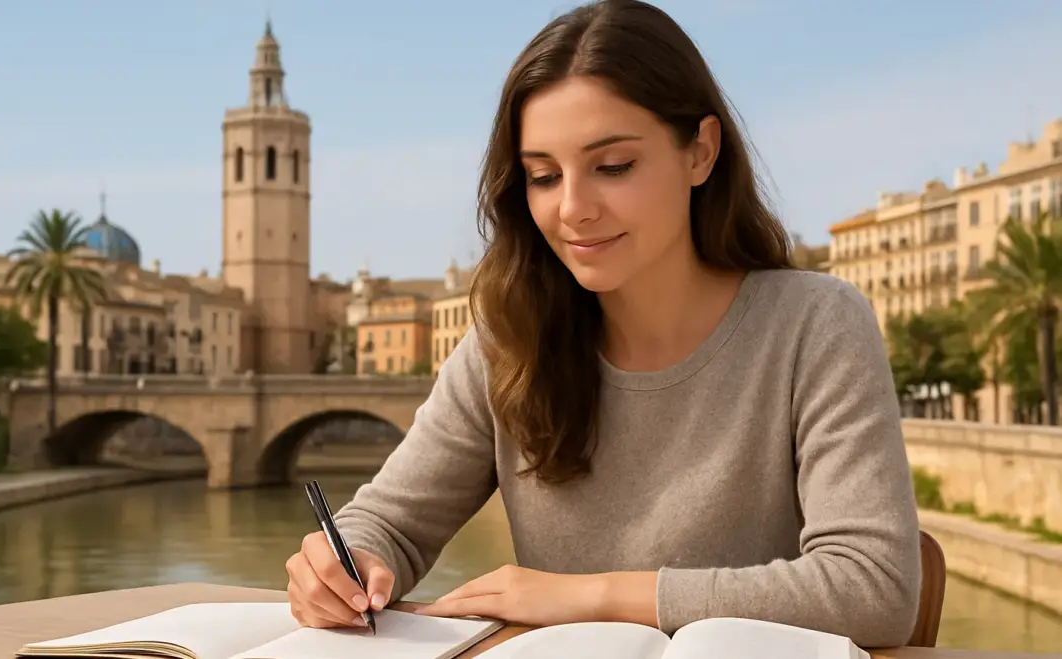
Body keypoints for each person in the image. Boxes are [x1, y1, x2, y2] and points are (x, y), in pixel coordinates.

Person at [283, 0, 921, 648]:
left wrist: (592, 596)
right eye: (542, 176)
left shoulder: (816, 324)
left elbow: (874, 586)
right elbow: (389, 520)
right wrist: (345, 561)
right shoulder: (507, 340)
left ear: (700, 152)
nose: (573, 209)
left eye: (613, 166)